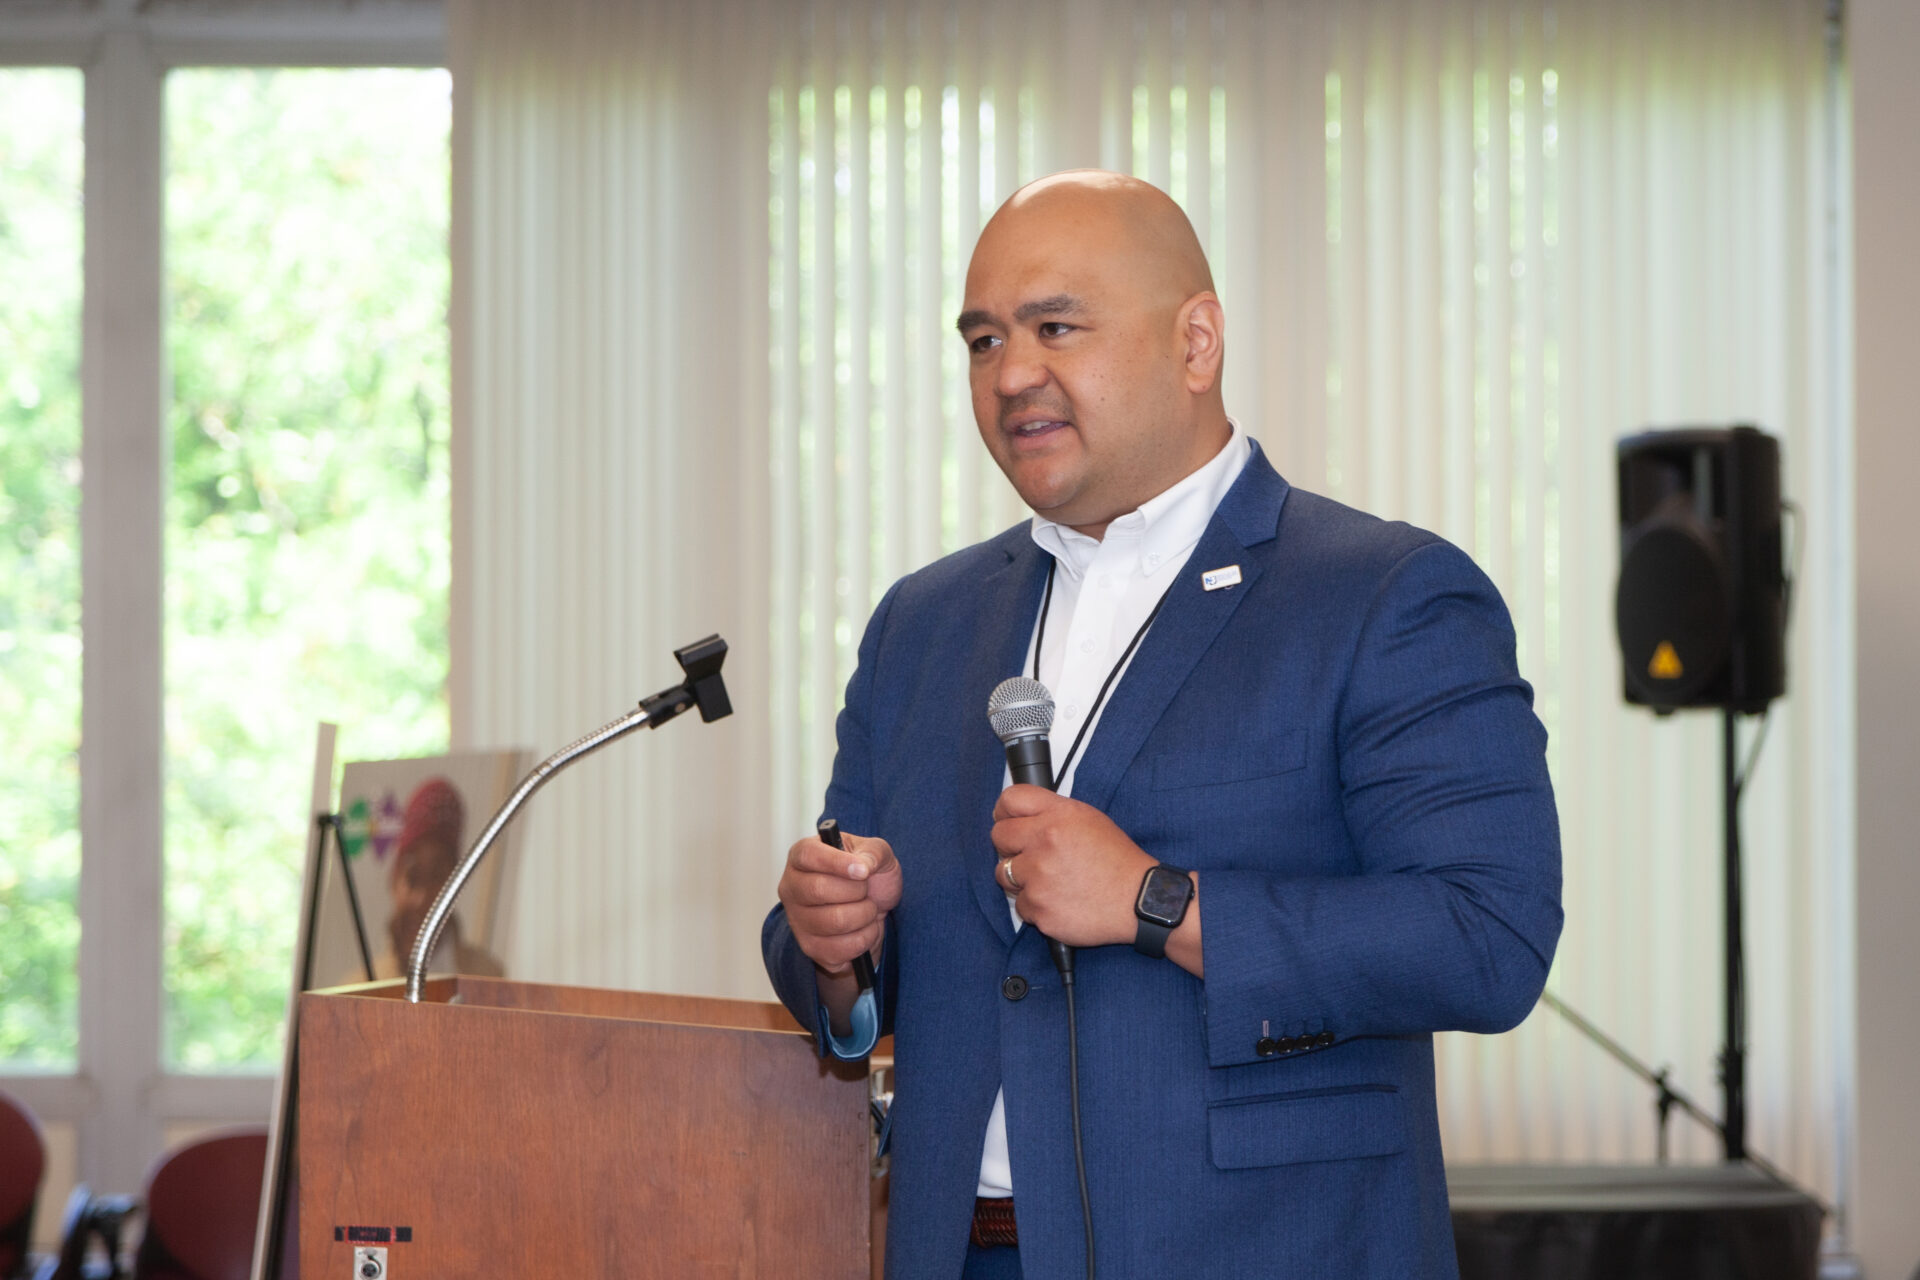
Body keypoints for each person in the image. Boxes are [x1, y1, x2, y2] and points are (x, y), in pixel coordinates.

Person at [762, 170, 1561, 1280]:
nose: (1011, 374)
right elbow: (845, 1005)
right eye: (983, 339)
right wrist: (835, 939)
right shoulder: (925, 623)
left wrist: (1157, 901)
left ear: (1197, 343)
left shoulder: (1383, 594)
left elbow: (1489, 939)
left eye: (1055, 326)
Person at [371, 776, 503, 981]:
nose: (422, 899)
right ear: (394, 882)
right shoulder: (358, 990)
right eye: (413, 878)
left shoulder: (488, 980)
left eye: (436, 877)